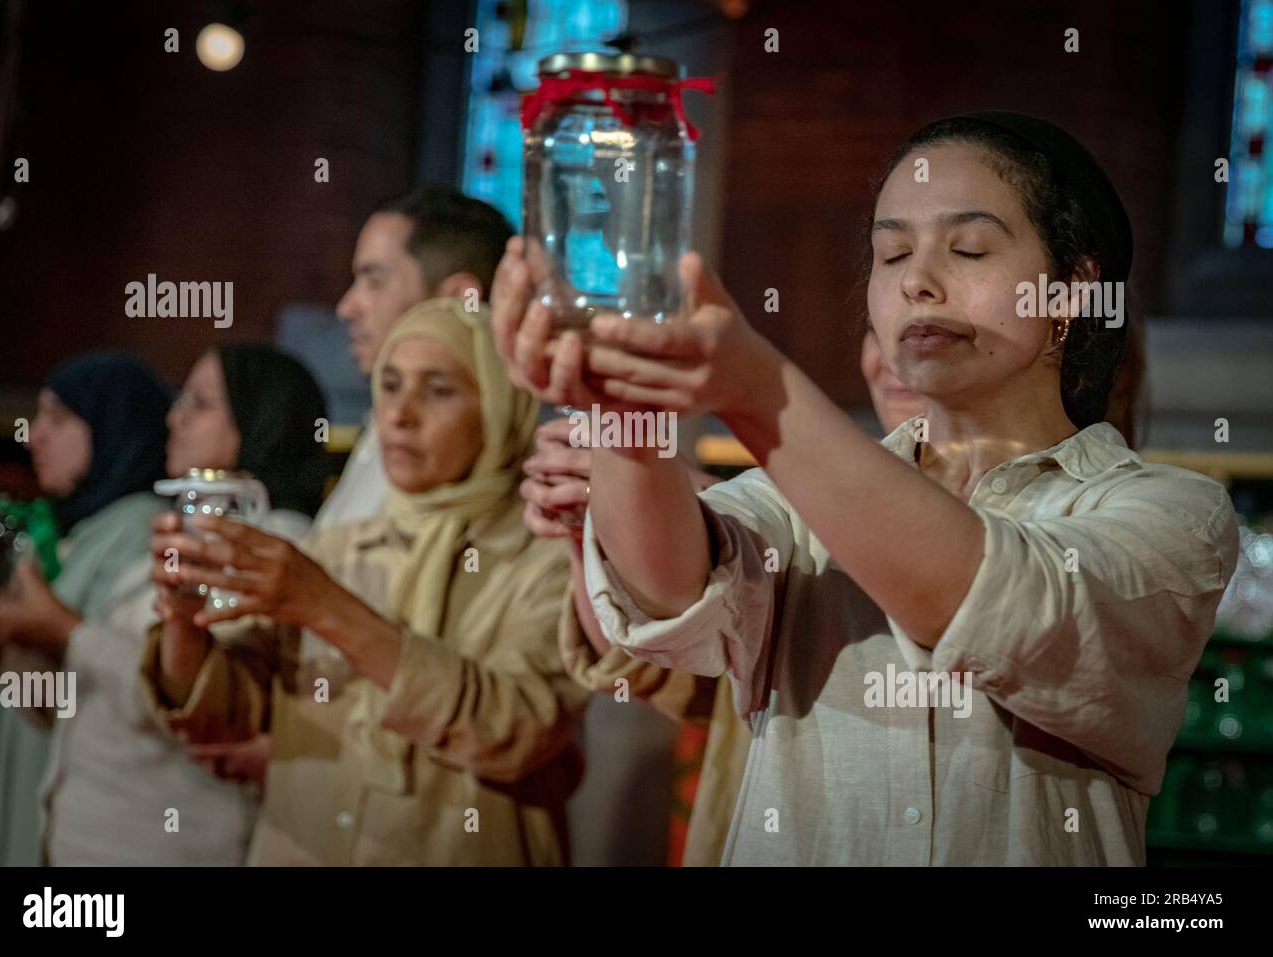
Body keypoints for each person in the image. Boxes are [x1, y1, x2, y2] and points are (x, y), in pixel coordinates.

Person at [493, 112, 1239, 865]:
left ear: (1074, 287)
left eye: (970, 247)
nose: (918, 278)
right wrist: (620, 401)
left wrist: (757, 386)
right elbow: (671, 590)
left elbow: (1002, 603)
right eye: (892, 253)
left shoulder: (1168, 512)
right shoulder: (794, 502)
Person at [141, 298, 587, 866]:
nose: (399, 415)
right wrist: (183, 620)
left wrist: (326, 607)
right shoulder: (339, 547)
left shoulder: (549, 558)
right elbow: (222, 713)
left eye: (439, 390)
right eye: (391, 386)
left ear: (501, 408)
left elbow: (513, 733)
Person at [522, 334, 925, 866]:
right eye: (876, 328)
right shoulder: (778, 503)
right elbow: (653, 666)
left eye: (967, 251)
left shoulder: (800, 503)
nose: (897, 348)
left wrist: (690, 505)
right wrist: (594, 533)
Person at [0, 345, 327, 865]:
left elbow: (197, 705)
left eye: (200, 402)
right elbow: (84, 702)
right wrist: (6, 648)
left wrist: (67, 633)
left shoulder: (271, 550)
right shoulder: (186, 534)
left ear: (261, 419)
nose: (174, 416)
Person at [0, 352, 170, 865]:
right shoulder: (82, 534)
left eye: (58, 418)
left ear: (114, 426)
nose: (35, 436)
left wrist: (40, 631)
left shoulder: (141, 531)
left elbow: (120, 693)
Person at [315, 187, 514, 531]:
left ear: (458, 298)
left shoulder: (476, 456)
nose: (347, 307)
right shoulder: (385, 424)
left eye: (374, 282)